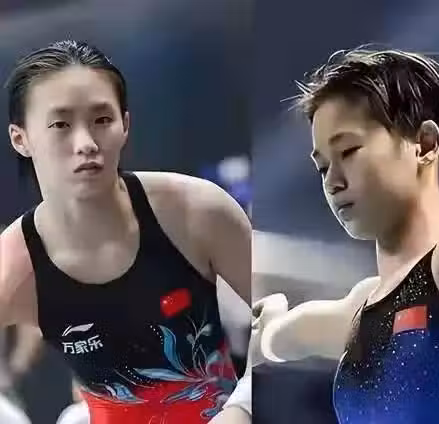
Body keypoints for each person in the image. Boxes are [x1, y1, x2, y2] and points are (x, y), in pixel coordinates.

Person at [0, 40, 251, 424]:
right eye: (60, 125)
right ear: (21, 139)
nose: (86, 144)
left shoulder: (199, 212)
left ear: (126, 125)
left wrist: (242, 407)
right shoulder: (12, 266)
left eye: (102, 120)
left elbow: (277, 322)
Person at [257, 47, 439, 423]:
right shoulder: (358, 313)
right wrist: (268, 325)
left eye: (348, 151)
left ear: (425, 145)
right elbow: (278, 337)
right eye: (322, 168)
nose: (332, 182)